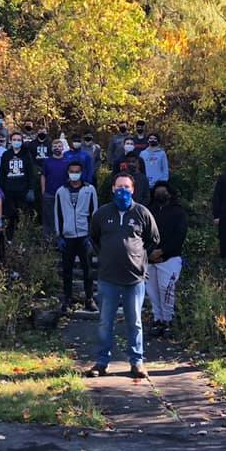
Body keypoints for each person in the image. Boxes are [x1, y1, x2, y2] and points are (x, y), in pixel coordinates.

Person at [86, 173, 160, 379]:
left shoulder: (142, 213)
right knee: (104, 321)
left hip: (134, 278)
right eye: (119, 187)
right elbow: (94, 238)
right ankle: (101, 362)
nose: (122, 191)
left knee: (134, 322)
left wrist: (138, 256)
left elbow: (153, 239)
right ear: (112, 189)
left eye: (126, 187)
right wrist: (107, 254)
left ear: (133, 189)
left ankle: (137, 362)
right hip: (108, 277)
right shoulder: (102, 214)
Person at [55, 160, 99, 313]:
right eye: (71, 171)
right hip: (67, 236)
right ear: (68, 173)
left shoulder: (90, 189)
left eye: (77, 171)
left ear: (81, 172)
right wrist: (59, 235)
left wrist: (92, 236)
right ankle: (67, 299)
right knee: (67, 269)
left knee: (87, 269)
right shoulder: (61, 191)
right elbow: (58, 214)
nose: (74, 174)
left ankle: (89, 298)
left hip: (84, 236)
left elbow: (95, 213)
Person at [147, 181, 187, 337]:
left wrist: (162, 251)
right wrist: (149, 252)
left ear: (170, 194)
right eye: (157, 192)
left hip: (170, 258)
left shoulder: (178, 212)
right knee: (152, 292)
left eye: (163, 192)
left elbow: (180, 235)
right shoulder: (148, 211)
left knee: (166, 289)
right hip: (149, 258)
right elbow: (141, 233)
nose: (160, 195)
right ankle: (158, 320)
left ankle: (168, 320)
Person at [0, 131, 38, 242]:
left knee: (25, 215)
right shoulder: (6, 154)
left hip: (23, 190)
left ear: (22, 141)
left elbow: (31, 173)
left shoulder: (26, 154)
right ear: (10, 141)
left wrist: (31, 189)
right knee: (10, 216)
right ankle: (10, 239)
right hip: (9, 191)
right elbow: (2, 174)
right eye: (14, 139)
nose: (16, 142)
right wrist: (1, 190)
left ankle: (25, 239)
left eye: (18, 140)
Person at [41, 139, 68, 237]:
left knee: (63, 216)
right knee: (48, 216)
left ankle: (62, 236)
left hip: (64, 194)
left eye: (59, 146)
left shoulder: (67, 161)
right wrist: (43, 190)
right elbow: (43, 176)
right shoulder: (47, 161)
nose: (57, 148)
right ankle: (48, 238)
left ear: (63, 148)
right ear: (51, 148)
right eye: (55, 146)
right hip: (49, 193)